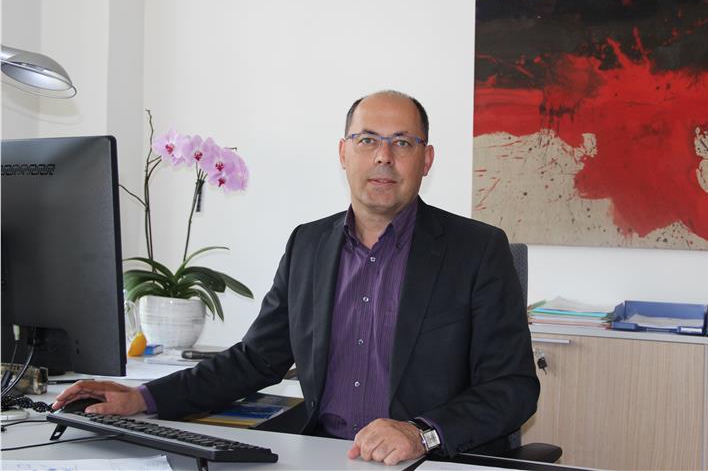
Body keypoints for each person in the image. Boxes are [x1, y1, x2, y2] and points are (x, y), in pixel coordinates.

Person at [54, 90, 539, 466]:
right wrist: (143, 397)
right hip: (320, 455)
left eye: (403, 142)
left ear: (426, 159)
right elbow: (254, 360)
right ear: (343, 153)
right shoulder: (308, 244)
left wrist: (421, 433)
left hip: (428, 461)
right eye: (367, 140)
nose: (383, 157)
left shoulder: (477, 250)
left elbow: (513, 387)